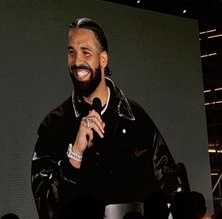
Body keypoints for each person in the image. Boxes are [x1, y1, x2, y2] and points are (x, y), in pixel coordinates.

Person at [31, 17, 179, 219]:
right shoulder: (53, 125)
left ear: (103, 59)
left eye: (86, 52)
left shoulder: (135, 117)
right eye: (71, 52)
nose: (76, 62)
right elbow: (45, 207)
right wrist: (75, 154)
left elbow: (172, 186)